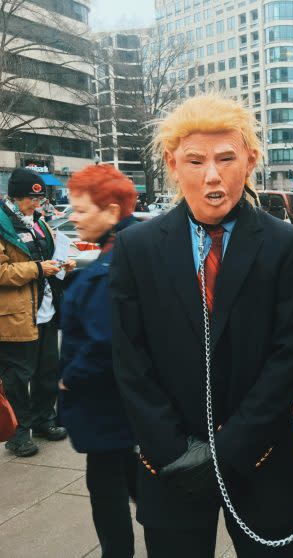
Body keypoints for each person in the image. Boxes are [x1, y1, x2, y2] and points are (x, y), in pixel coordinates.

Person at [110, 94, 293, 558]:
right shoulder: (136, 249)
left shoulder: (288, 247)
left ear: (251, 159)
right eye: (195, 160)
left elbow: (290, 354)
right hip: (169, 465)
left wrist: (230, 449)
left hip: (262, 462)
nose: (212, 176)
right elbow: (129, 356)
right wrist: (170, 449)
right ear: (172, 163)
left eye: (226, 158)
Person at [58, 164, 139, 558]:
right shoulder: (125, 250)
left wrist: (68, 378)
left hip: (107, 412)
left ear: (110, 211)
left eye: (80, 209)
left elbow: (104, 343)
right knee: (131, 483)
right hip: (119, 414)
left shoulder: (111, 266)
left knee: (108, 497)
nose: (72, 218)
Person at [0, 169, 74, 457]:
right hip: (15, 316)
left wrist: (61, 263)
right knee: (18, 377)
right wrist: (38, 269)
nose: (37, 203)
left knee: (47, 372)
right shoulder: (4, 225)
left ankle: (45, 420)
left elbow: (47, 256)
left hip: (45, 310)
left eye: (40, 197)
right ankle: (18, 434)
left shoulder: (39, 223)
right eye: (31, 198)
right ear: (15, 197)